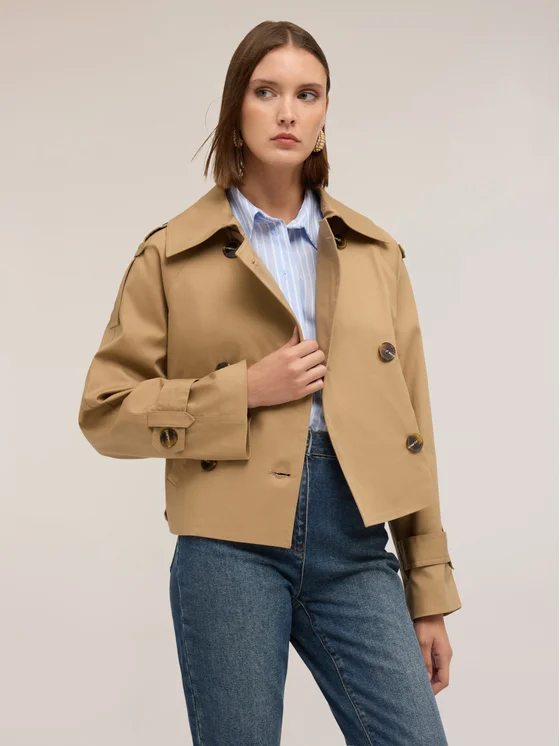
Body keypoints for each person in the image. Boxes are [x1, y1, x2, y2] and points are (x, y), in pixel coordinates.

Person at [78, 19, 462, 746]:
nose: (287, 111)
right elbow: (106, 411)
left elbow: (413, 427)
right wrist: (242, 391)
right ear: (236, 107)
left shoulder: (376, 253)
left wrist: (428, 591)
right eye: (266, 91)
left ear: (324, 114)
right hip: (229, 546)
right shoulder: (171, 255)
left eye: (307, 94)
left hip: (356, 542)